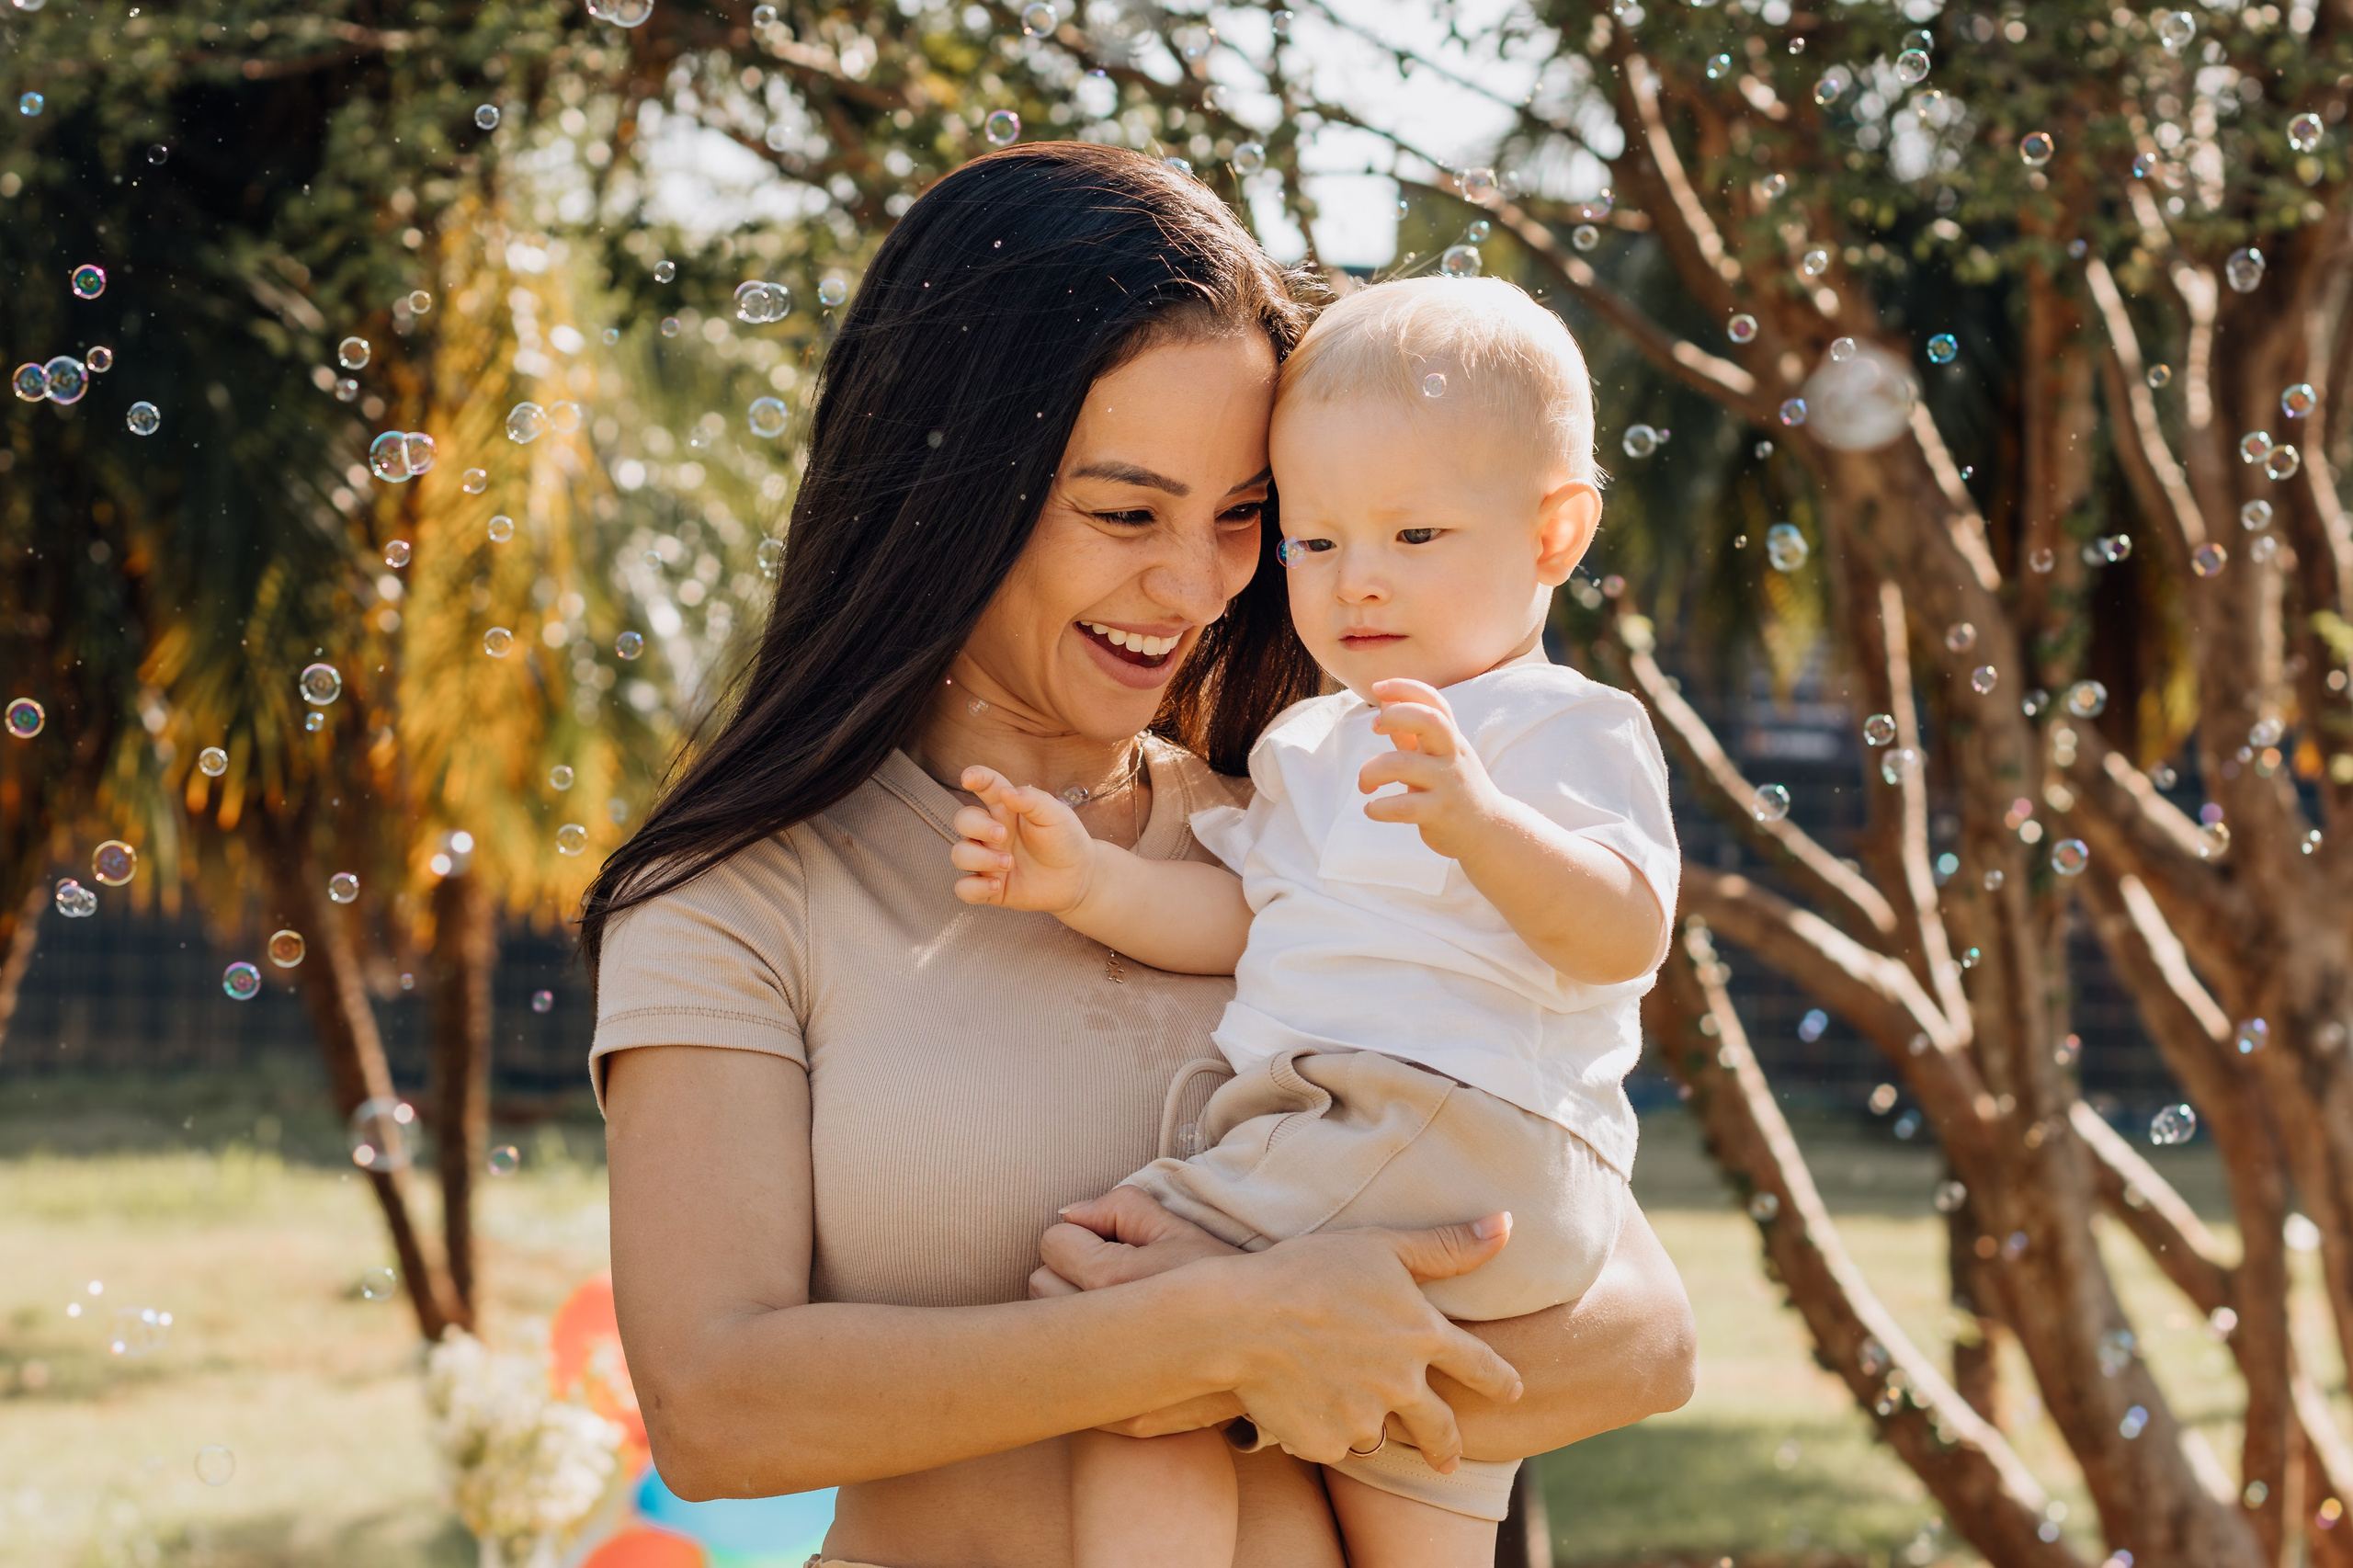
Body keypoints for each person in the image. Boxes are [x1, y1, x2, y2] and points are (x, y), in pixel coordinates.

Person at [582, 142, 1696, 1568]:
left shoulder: (1311, 832)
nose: (1198, 585)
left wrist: (1302, 1334)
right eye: (1126, 512)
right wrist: (1214, 1332)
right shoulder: (743, 895)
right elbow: (717, 1406)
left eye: (1244, 516)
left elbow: (1646, 1334)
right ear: (946, 491)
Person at [949, 276, 1675, 1568]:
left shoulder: (1559, 726)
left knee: (1118, 1327)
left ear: (1556, 533)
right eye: (1318, 541)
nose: (1357, 584)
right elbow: (1247, 914)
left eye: (1415, 536)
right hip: (1440, 1170)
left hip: (1430, 1120)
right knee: (1412, 1492)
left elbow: (1625, 933)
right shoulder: (1314, 739)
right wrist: (1087, 886)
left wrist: (1482, 824)